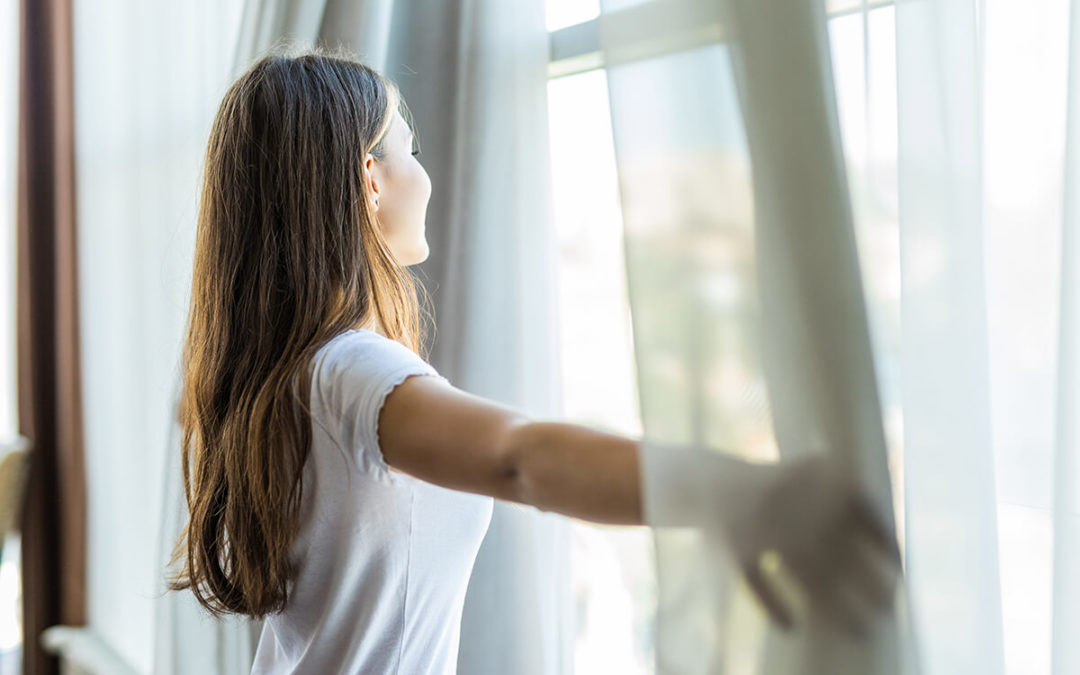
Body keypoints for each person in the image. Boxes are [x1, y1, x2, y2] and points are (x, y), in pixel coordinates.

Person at [168, 47, 901, 674]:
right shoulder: (350, 372)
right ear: (370, 178)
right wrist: (733, 492)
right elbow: (519, 455)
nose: (422, 173)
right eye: (409, 148)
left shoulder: (279, 375)